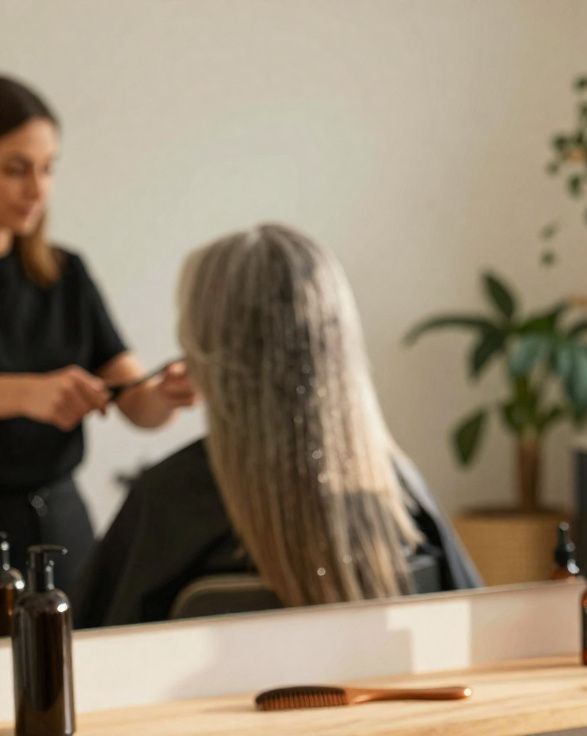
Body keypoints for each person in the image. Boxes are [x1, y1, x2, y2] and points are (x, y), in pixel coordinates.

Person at [74, 224, 481, 627]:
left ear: (206, 348)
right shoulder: (398, 492)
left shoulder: (167, 501)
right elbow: (474, 630)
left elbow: (83, 656)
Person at [0, 76, 196, 585]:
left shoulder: (65, 273)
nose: (37, 189)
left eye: (47, 169)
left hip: (60, 530)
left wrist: (166, 395)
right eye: (16, 169)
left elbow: (136, 401)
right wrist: (25, 394)